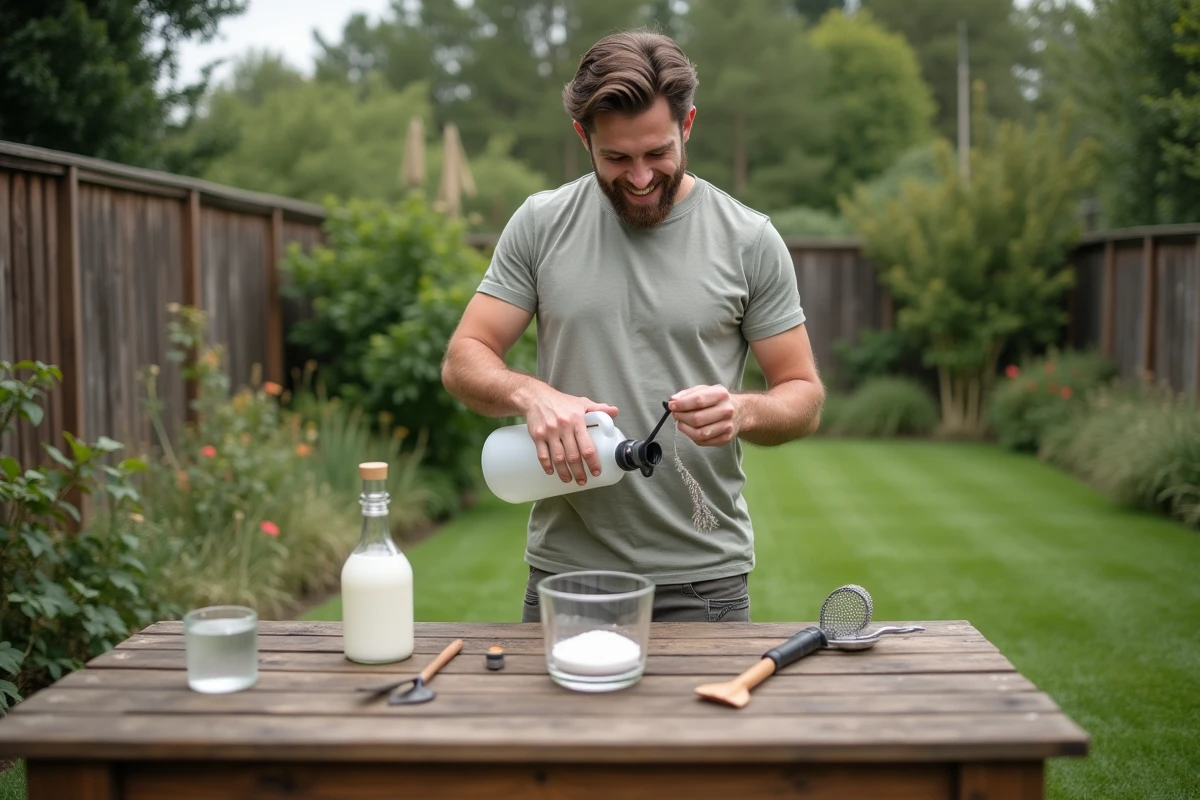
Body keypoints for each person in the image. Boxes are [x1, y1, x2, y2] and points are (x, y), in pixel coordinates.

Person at [441, 29, 824, 623]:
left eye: (657, 153)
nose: (641, 178)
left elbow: (803, 395)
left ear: (688, 125)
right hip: (567, 575)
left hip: (704, 581)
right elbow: (465, 355)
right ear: (583, 138)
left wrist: (741, 412)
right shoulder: (541, 224)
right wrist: (531, 394)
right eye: (617, 158)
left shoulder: (750, 240)